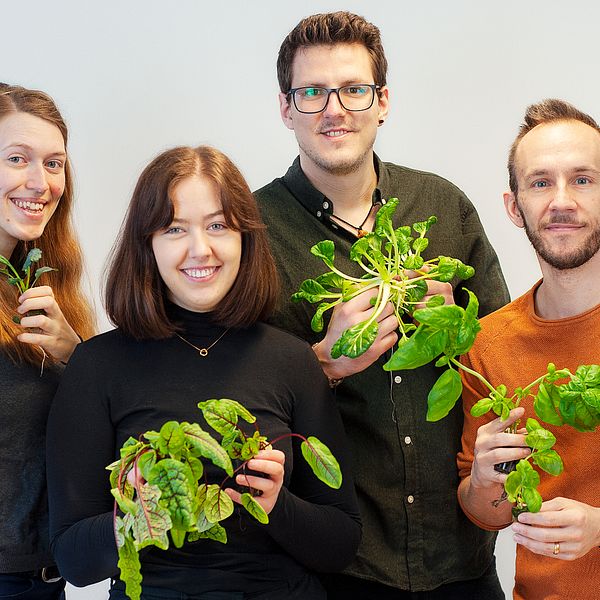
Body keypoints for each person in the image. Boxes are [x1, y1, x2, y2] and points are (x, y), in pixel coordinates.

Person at [254, 11, 509, 599]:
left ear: (382, 101)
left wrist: (459, 325)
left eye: (353, 89)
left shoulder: (443, 205)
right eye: (312, 92)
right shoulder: (250, 229)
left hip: (460, 558)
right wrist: (324, 361)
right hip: (334, 565)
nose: (334, 109)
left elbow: (502, 359)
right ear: (287, 108)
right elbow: (236, 398)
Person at [46, 145, 361, 599]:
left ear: (245, 239)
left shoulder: (293, 361)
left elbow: (341, 542)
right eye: (175, 228)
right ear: (147, 244)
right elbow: (74, 561)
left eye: (218, 226)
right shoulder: (96, 366)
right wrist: (137, 508)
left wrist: (276, 504)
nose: (201, 249)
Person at [457, 99, 600, 600]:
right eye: (541, 182)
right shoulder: (488, 342)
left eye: (583, 179)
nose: (562, 201)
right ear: (515, 207)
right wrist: (482, 480)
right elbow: (487, 514)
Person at [0, 84, 95, 599]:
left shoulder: (46, 287)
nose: (41, 182)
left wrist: (75, 353)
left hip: (43, 574)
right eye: (18, 159)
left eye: (54, 163)